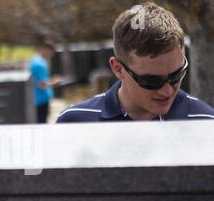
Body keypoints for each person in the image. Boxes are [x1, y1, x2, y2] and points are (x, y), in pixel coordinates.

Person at [57, 2, 214, 123]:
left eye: (176, 75)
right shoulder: (74, 123)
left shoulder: (206, 122)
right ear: (118, 69)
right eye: (152, 81)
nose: (167, 91)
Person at [30, 40, 62, 123]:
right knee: (41, 126)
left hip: (37, 100)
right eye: (52, 52)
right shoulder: (40, 64)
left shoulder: (35, 60)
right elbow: (42, 84)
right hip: (41, 102)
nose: (52, 55)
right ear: (46, 50)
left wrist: (51, 79)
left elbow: (39, 80)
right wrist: (55, 82)